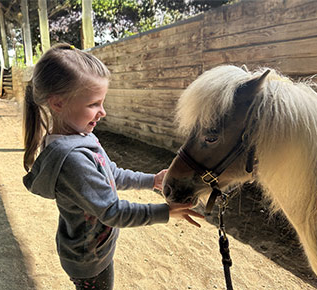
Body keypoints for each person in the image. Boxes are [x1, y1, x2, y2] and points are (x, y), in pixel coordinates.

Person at [22, 43, 203, 290]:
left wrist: (152, 180)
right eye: (93, 104)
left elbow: (112, 174)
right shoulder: (72, 160)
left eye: (102, 102)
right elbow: (113, 212)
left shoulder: (81, 137)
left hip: (96, 250)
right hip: (88, 260)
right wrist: (165, 211)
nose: (103, 112)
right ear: (58, 104)